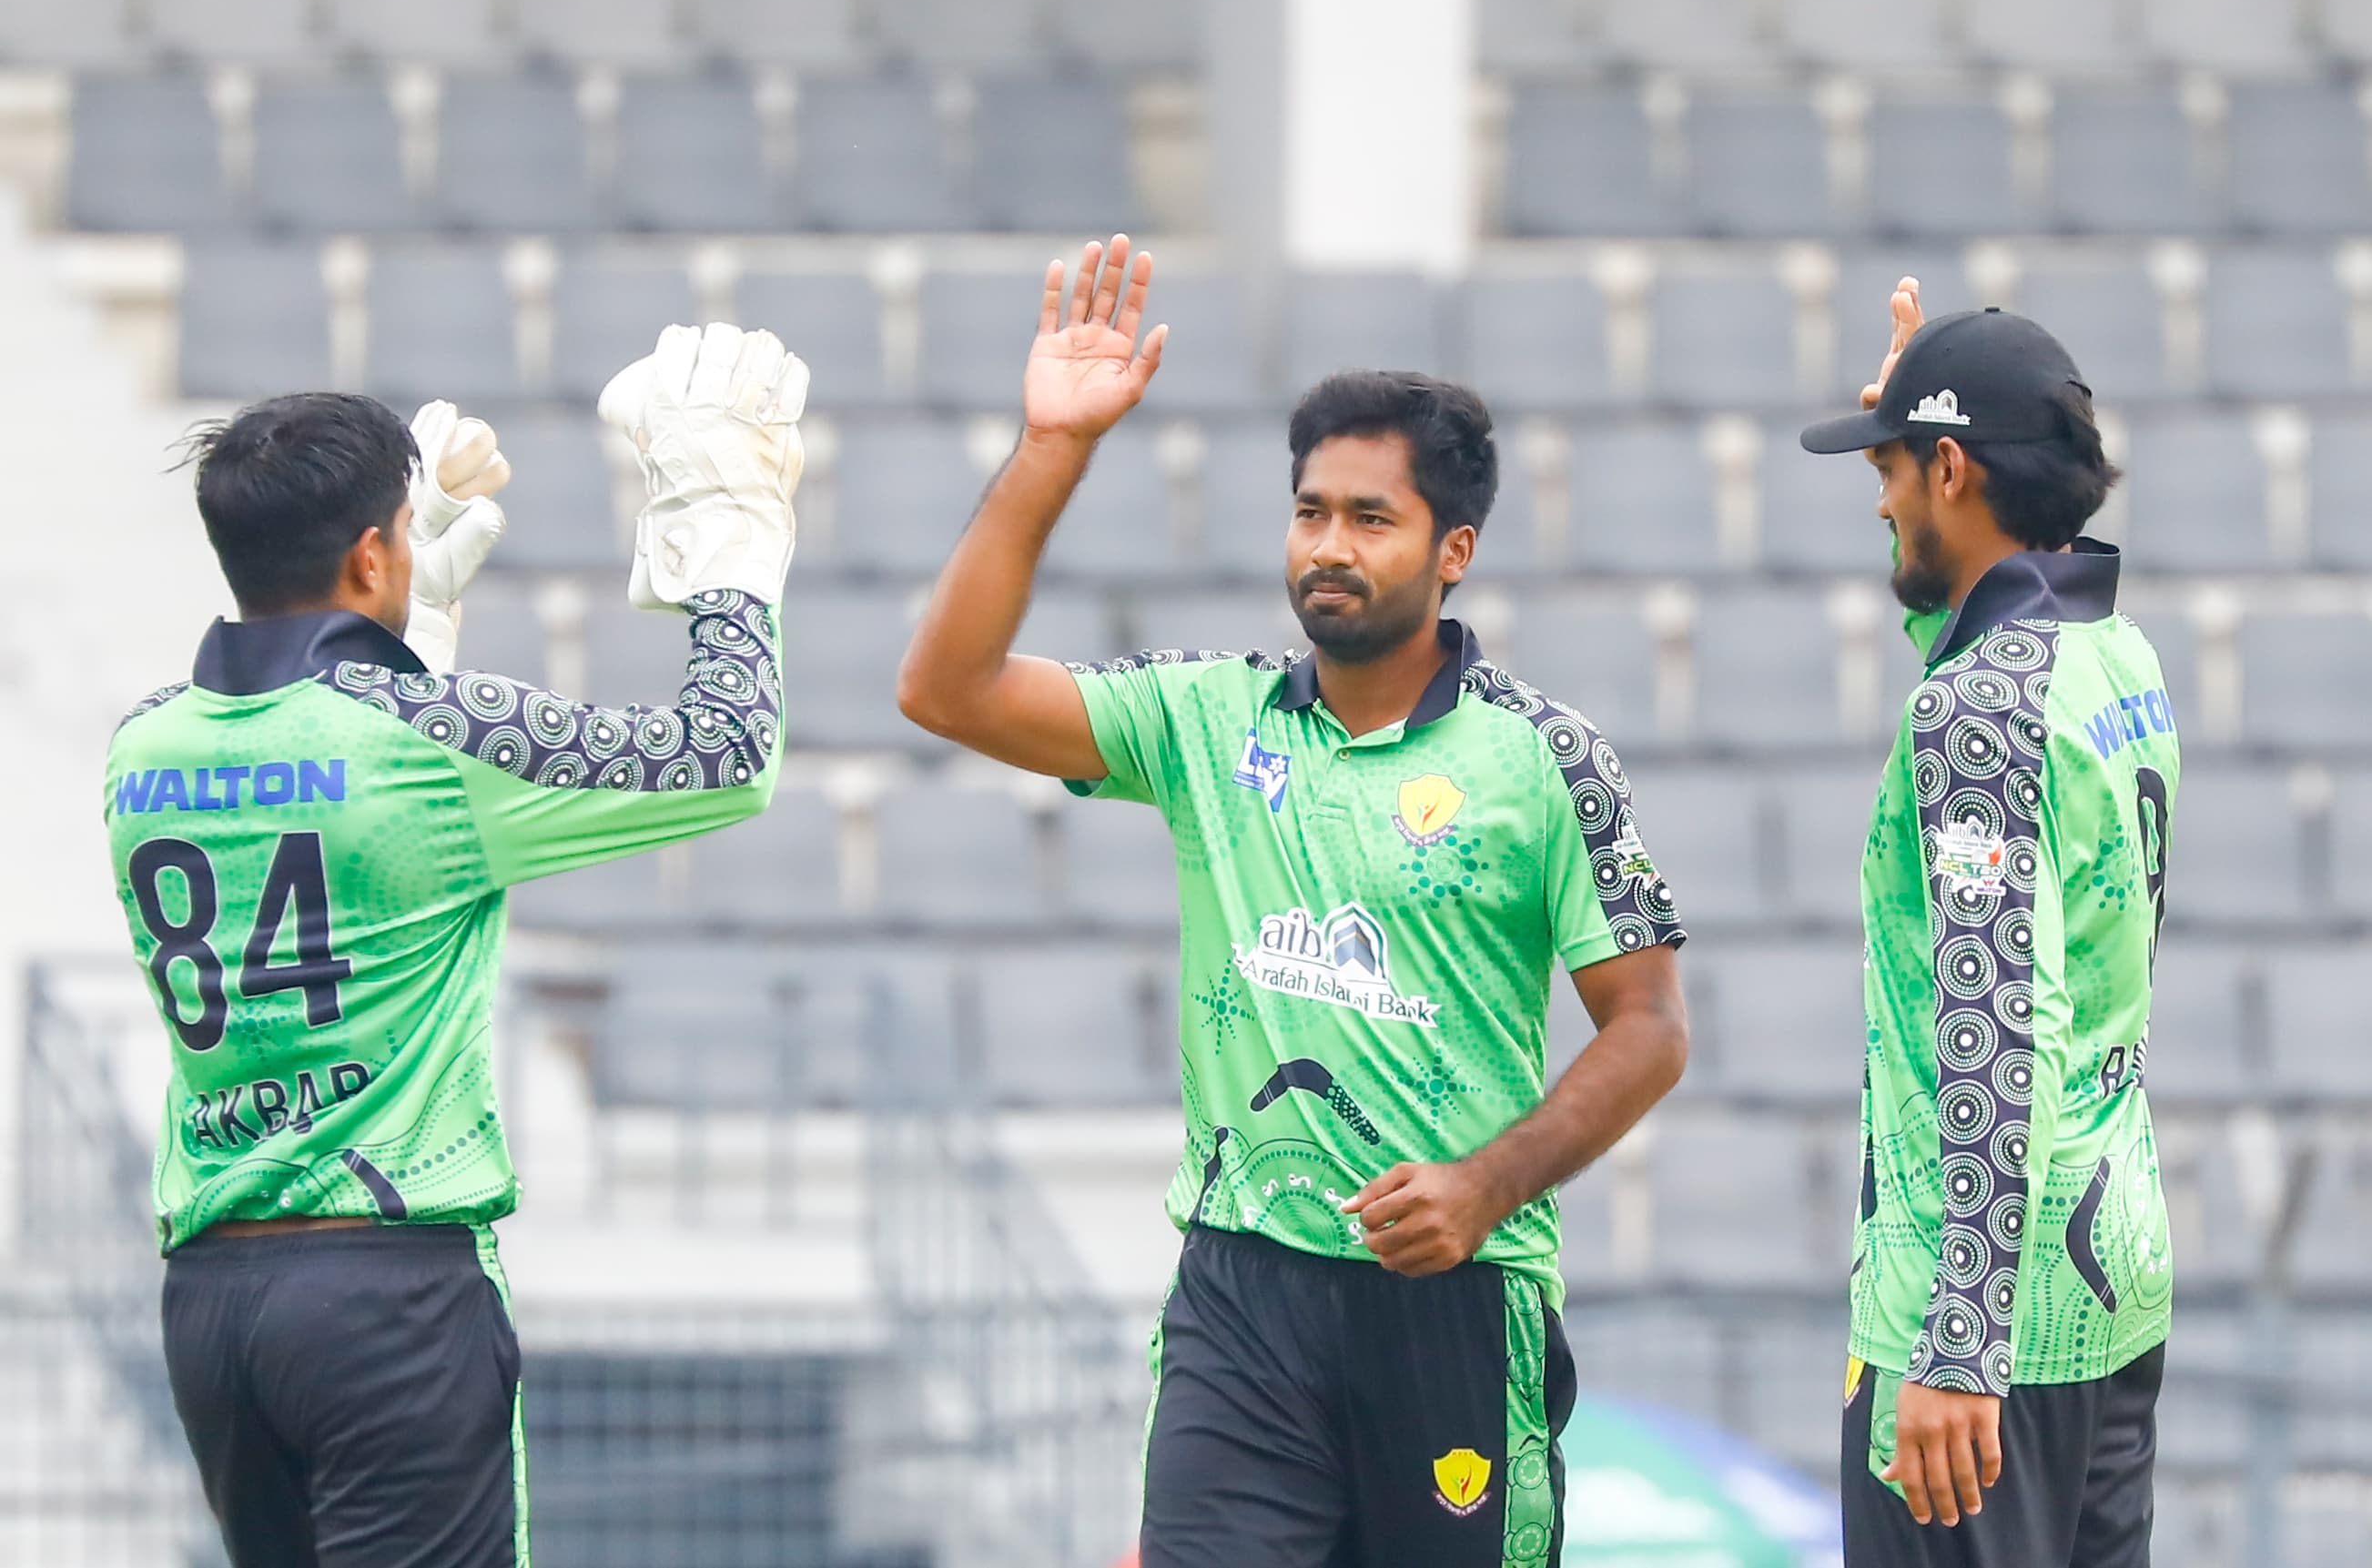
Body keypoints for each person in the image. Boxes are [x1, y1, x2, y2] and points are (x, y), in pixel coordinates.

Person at [897, 235, 1692, 1568]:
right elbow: (947, 688)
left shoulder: (1543, 758)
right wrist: (1053, 448)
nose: (1327, 545)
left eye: (1368, 519)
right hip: (1239, 1290)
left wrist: (1483, 1188)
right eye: (1310, 510)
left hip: (1449, 1292)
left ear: (1455, 551)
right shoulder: (1208, 718)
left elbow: (1650, 1027)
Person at [102, 322, 807, 1568]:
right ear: (374, 549)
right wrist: (728, 536)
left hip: (213, 1301)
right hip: (387, 1288)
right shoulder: (426, 736)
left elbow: (323, 772)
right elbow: (724, 753)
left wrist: (407, 623)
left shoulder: (142, 746)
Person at [1801, 281, 2174, 1566]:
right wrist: (1919, 419)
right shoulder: (2110, 652)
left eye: (1897, 467)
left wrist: (1956, 1336)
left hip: (1975, 1323)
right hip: (2107, 1268)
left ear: (1953, 466)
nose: (1880, 495)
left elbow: (1995, 1027)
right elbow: (1967, 640)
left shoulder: (1970, 714)